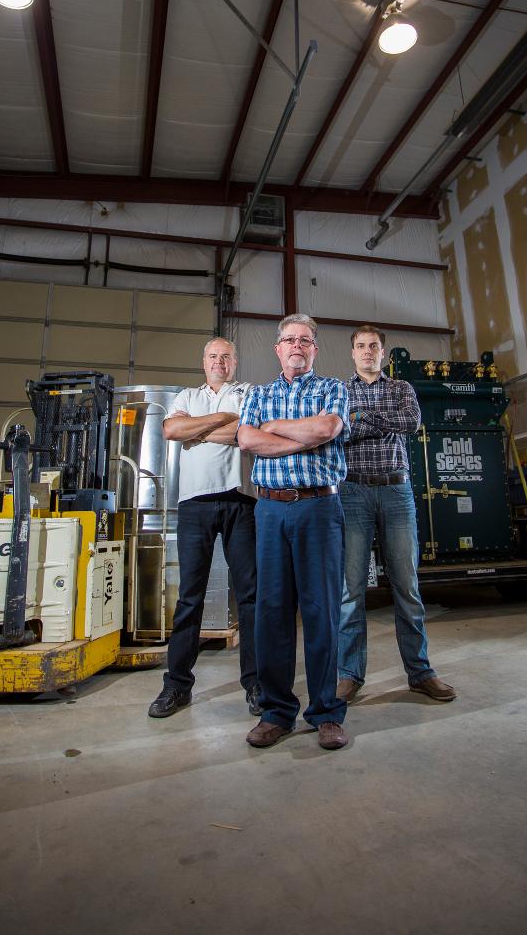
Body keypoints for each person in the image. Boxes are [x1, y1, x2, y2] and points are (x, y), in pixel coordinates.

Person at [237, 314, 350, 750]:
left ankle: (326, 712)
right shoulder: (258, 393)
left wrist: (274, 429)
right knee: (272, 611)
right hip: (270, 509)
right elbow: (247, 440)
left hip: (319, 507)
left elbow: (327, 428)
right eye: (289, 340)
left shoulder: (332, 389)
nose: (297, 346)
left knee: (321, 610)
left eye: (305, 340)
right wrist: (303, 438)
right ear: (278, 348)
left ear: (314, 349)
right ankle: (276, 712)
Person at [337, 324, 456, 703]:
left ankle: (420, 672)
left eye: (373, 346)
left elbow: (410, 423)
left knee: (407, 586)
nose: (367, 351)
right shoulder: (339, 391)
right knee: (351, 591)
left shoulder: (402, 388)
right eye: (361, 346)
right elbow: (340, 432)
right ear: (352, 353)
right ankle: (349, 674)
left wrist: (363, 417)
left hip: (396, 491)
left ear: (383, 352)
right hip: (353, 492)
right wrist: (374, 422)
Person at [148, 337, 261, 718]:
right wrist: (221, 420)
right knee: (189, 597)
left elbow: (246, 433)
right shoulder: (187, 396)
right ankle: (177, 686)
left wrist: (195, 431)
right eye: (213, 356)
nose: (219, 362)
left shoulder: (248, 393)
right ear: (204, 362)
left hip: (241, 500)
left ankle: (256, 684)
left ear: (235, 362)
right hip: (194, 503)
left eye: (226, 356)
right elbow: (171, 431)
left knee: (250, 596)